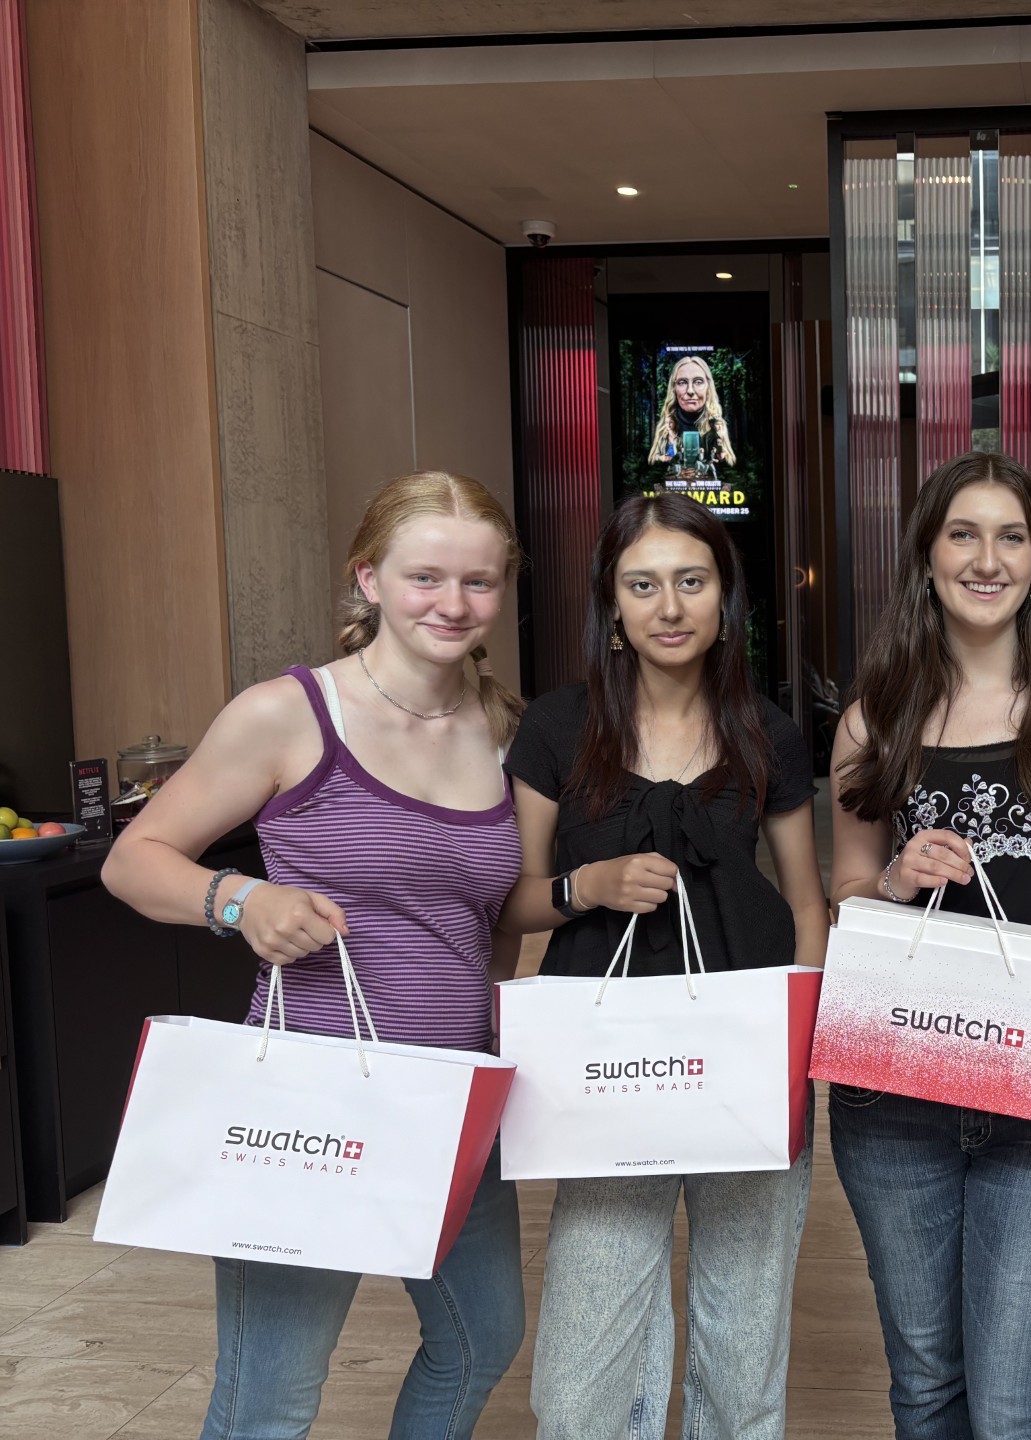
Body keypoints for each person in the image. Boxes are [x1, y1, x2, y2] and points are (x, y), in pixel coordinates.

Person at [102, 470, 528, 1440]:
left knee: (481, 1341)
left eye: (479, 582)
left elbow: (495, 914)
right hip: (308, 1100)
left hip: (455, 1097)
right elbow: (134, 859)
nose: (453, 604)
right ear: (368, 578)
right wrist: (241, 899)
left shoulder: (508, 727)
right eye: (425, 578)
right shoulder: (287, 715)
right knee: (272, 1400)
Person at [827, 450, 1031, 1440]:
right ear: (927, 555)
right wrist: (892, 880)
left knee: (1013, 1406)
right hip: (895, 1093)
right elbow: (846, 894)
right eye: (963, 534)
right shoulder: (874, 722)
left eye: (1010, 537)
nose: (986, 559)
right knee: (926, 1388)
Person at [501, 492, 827, 1440]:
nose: (670, 607)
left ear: (726, 598)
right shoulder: (556, 729)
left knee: (745, 1344)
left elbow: (808, 905)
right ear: (611, 602)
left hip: (748, 1056)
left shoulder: (768, 731)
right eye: (643, 585)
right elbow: (514, 900)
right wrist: (588, 885)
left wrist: (796, 1054)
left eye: (692, 581)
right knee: (584, 1364)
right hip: (605, 1069)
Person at [647, 354, 737, 469]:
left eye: (698, 382)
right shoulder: (665, 429)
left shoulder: (717, 427)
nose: (690, 391)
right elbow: (654, 463)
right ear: (674, 388)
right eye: (682, 382)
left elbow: (728, 464)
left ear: (708, 387)